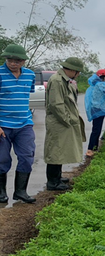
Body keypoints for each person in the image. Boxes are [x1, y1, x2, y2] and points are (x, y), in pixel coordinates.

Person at [0, 44, 36, 203]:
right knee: (2, 159)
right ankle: (1, 192)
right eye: (10, 60)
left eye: (17, 60)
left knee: (27, 156)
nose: (13, 63)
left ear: (23, 61)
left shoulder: (30, 75)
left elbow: (27, 95)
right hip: (3, 125)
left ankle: (20, 191)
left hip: (24, 124)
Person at [44, 57, 85, 191]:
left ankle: (57, 177)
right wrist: (67, 119)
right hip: (58, 122)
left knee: (60, 150)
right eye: (77, 72)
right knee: (55, 151)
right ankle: (52, 182)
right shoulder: (57, 81)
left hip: (61, 122)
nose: (78, 74)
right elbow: (56, 104)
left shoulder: (64, 80)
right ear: (72, 70)